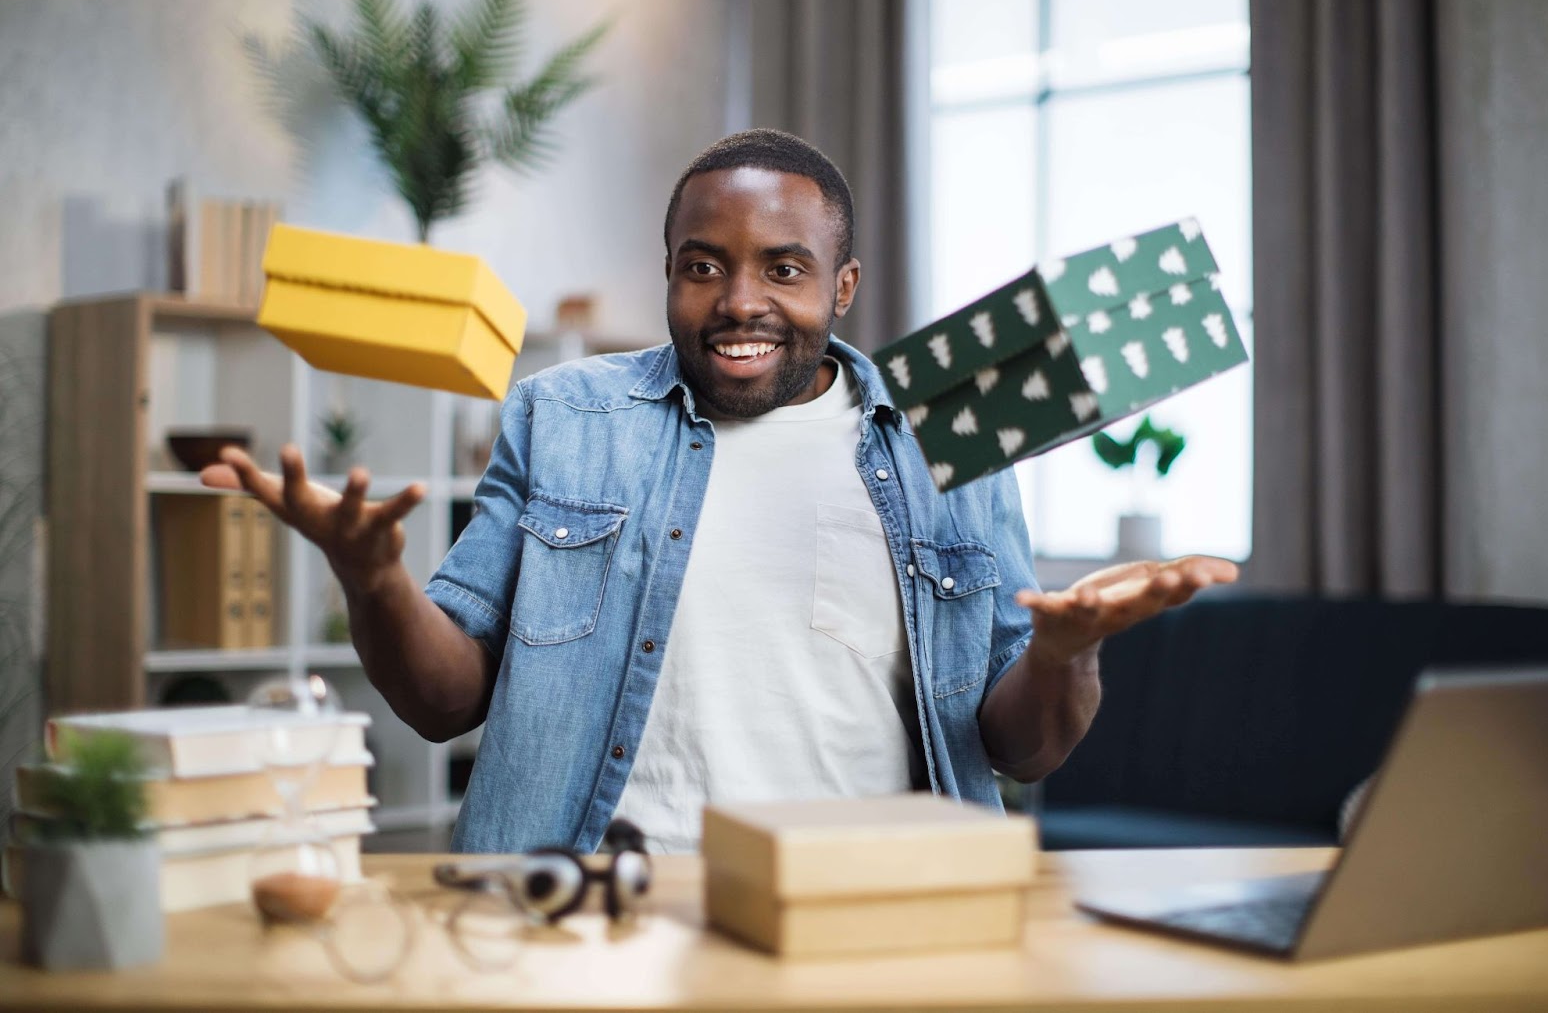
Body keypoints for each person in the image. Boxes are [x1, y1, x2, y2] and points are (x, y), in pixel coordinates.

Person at [204, 129, 1237, 853]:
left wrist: (1065, 650)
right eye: (703, 266)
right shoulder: (564, 416)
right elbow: (441, 702)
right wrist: (373, 575)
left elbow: (1022, 747)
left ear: (843, 286)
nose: (739, 301)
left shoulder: (945, 435)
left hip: (862, 916)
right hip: (595, 907)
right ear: (666, 271)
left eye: (783, 269)